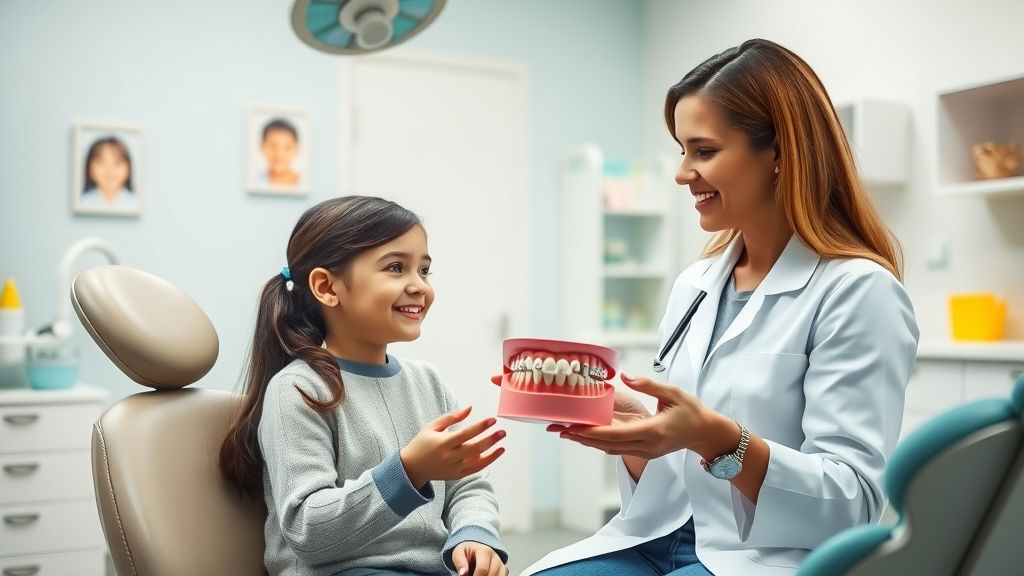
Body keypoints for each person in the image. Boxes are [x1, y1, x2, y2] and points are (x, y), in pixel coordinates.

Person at [519, 38, 920, 576]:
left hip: (763, 556)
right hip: (655, 536)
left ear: (778, 152)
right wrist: (641, 439)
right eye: (682, 151)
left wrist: (716, 437)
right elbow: (676, 480)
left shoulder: (857, 291)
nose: (683, 173)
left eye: (703, 151)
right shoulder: (696, 285)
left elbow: (850, 504)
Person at [220, 196, 510, 576]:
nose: (419, 286)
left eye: (424, 270)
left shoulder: (429, 383)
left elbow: (467, 485)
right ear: (326, 287)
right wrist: (408, 471)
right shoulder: (297, 390)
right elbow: (307, 530)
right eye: (395, 267)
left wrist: (476, 534)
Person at [79, 136, 137, 210]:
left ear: (129, 169)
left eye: (117, 163)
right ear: (89, 169)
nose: (110, 170)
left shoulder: (135, 203)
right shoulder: (82, 202)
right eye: (101, 162)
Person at [259, 118, 301, 187]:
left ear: (296, 149)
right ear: (262, 147)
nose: (279, 154)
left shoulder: (304, 182)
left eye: (287, 147)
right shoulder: (255, 181)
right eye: (273, 146)